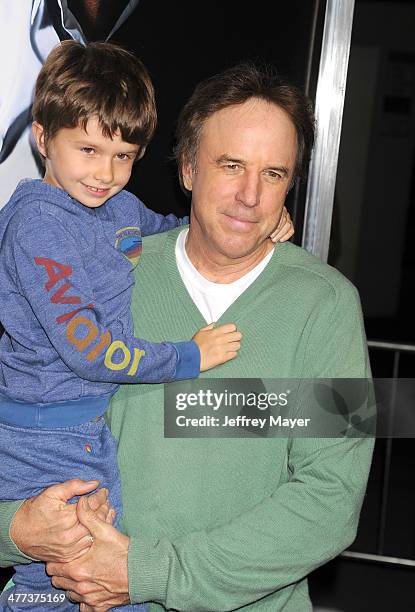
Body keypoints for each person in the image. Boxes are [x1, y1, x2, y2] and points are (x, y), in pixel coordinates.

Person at [0, 62, 372, 611]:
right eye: (231, 165)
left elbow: (330, 500)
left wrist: (149, 571)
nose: (250, 195)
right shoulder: (106, 271)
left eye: (273, 174)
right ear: (189, 169)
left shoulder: (327, 304)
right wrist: (15, 530)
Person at [0, 0, 140, 208]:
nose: (106, 174)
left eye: (122, 156)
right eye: (88, 150)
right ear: (42, 138)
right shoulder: (37, 223)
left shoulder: (121, 205)